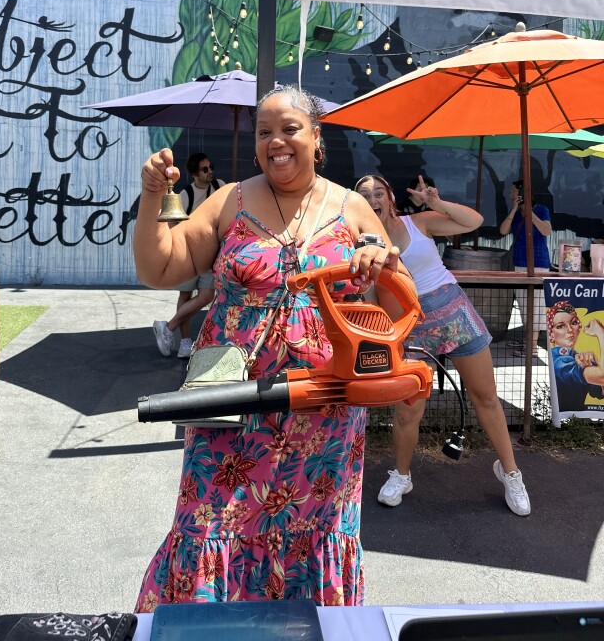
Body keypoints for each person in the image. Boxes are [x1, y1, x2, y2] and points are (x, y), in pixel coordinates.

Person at [133, 86, 415, 607]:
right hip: (229, 402)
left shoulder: (352, 207)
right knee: (206, 526)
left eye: (289, 128)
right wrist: (153, 196)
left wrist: (383, 262)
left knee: (313, 533)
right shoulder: (230, 199)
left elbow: (401, 307)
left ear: (316, 136)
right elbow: (159, 268)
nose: (275, 141)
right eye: (264, 132)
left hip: (324, 415)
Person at [354, 174, 531, 517]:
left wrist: (436, 203)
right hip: (408, 328)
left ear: (390, 199)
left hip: (453, 312)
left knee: (487, 398)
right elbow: (371, 298)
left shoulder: (418, 222)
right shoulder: (361, 244)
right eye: (365, 195)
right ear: (358, 204)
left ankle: (511, 473)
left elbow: (474, 221)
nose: (373, 198)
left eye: (379, 192)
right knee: (408, 409)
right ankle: (401, 475)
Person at [152, 153, 225, 359]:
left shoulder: (220, 187)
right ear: (194, 173)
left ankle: (167, 327)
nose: (210, 171)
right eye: (204, 169)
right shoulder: (186, 195)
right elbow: (170, 224)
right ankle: (185, 343)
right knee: (185, 296)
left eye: (211, 166)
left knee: (206, 296)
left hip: (212, 255)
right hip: (188, 254)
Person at [499, 179, 552, 358]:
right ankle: (527, 339)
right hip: (519, 261)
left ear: (522, 193)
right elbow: (503, 231)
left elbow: (546, 230)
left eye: (513, 191)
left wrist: (530, 213)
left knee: (535, 304)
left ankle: (533, 346)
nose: (510, 194)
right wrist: (515, 209)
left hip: (537, 262)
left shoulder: (541, 209)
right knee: (523, 303)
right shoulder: (515, 212)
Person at [547, 301, 604, 411]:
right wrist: (601, 333)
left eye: (573, 323)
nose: (569, 330)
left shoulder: (578, 356)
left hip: (577, 421)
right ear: (551, 334)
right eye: (560, 326)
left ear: (579, 326)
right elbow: (602, 376)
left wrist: (597, 365)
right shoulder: (557, 359)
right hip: (564, 421)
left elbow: (600, 390)